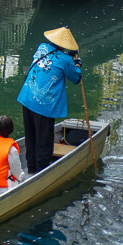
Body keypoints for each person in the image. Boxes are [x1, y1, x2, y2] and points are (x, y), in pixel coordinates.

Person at [17, 26, 83, 176]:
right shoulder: (66, 60)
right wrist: (77, 63)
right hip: (43, 104)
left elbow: (51, 62)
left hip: (27, 97)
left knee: (31, 136)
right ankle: (41, 171)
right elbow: (76, 77)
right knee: (44, 140)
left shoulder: (42, 47)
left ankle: (31, 167)